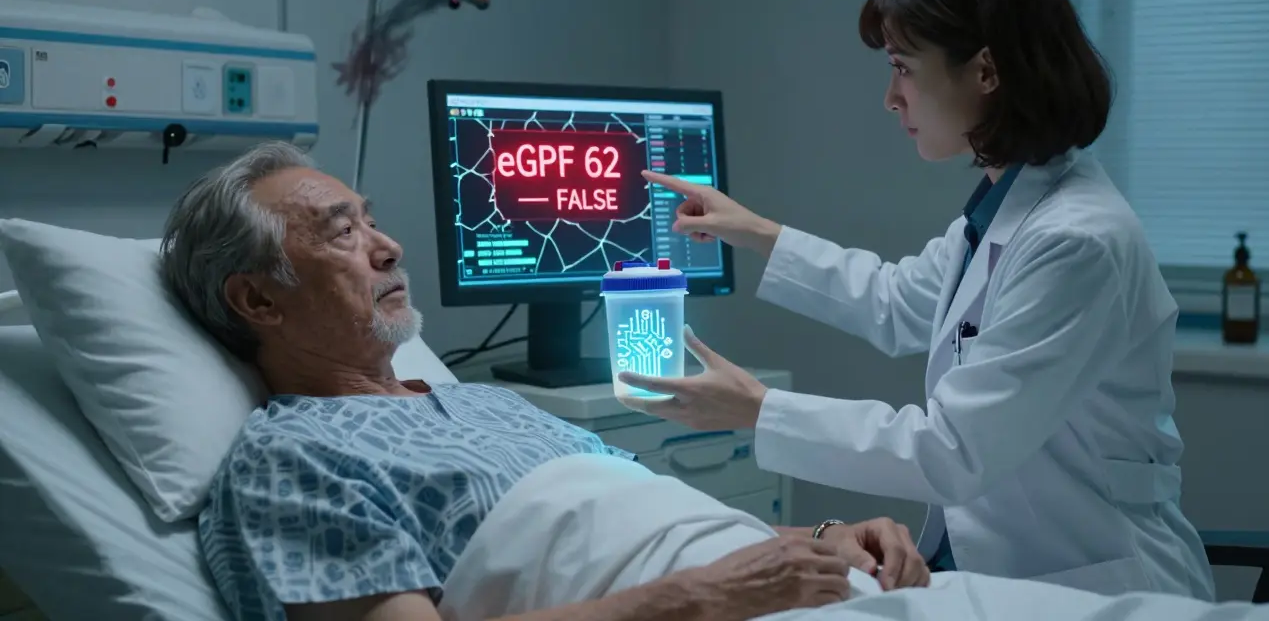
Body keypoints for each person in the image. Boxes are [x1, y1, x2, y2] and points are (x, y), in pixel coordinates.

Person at [620, 0, 1214, 601]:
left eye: (903, 67)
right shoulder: (1011, 199)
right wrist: (753, 231)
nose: (890, 97)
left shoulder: (1077, 240)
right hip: (994, 567)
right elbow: (898, 302)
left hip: (1087, 579)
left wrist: (760, 410)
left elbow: (953, 453)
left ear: (986, 72)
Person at [158, 142, 929, 621]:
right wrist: (712, 597)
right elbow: (700, 579)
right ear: (258, 300)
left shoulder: (488, 402)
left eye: (372, 220)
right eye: (343, 232)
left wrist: (829, 540)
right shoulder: (295, 459)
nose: (389, 247)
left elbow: (661, 531)